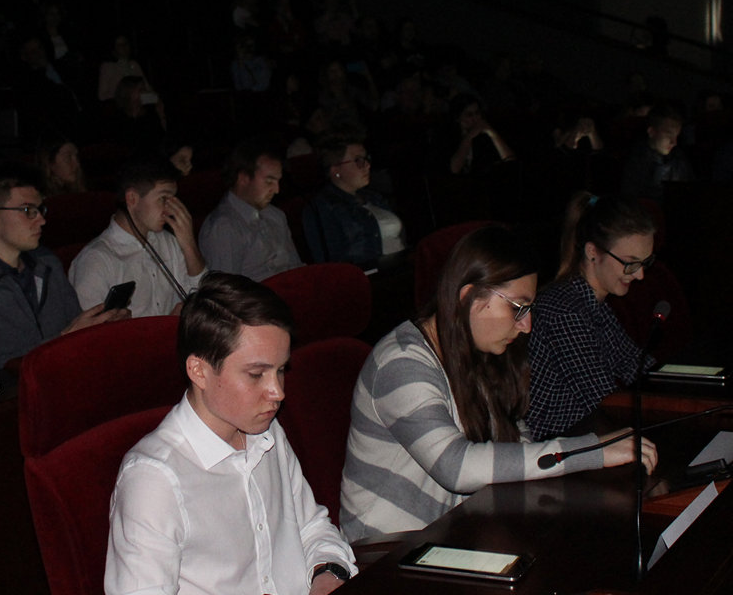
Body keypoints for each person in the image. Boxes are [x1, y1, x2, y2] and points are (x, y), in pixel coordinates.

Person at [339, 226, 657, 540]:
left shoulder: (475, 349)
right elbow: (456, 467)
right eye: (518, 308)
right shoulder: (401, 362)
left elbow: (515, 441)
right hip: (387, 551)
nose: (527, 325)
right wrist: (592, 451)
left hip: (455, 531)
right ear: (469, 297)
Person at [105, 272, 357, 594]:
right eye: (256, 374)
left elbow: (311, 527)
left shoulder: (268, 433)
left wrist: (328, 573)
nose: (277, 392)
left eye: (280, 370)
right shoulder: (154, 480)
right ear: (199, 371)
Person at [0, 163, 128, 380]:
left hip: (67, 380)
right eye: (28, 211)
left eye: (40, 210)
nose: (42, 220)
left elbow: (76, 331)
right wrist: (62, 339)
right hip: (14, 396)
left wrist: (101, 329)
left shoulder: (47, 263)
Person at [526, 193, 657, 441]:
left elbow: (637, 367)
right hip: (549, 447)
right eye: (630, 263)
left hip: (581, 439)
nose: (639, 275)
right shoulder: (563, 310)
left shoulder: (594, 305)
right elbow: (605, 399)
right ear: (592, 252)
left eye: (645, 263)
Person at [69, 159, 206, 318]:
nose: (170, 209)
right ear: (132, 198)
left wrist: (189, 243)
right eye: (163, 198)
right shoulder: (95, 260)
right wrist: (167, 324)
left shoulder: (168, 240)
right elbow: (92, 331)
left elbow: (204, 294)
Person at [198, 138, 303, 281]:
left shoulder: (276, 215)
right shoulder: (223, 227)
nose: (276, 190)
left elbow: (296, 267)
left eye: (278, 181)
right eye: (269, 181)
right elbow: (226, 289)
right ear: (243, 178)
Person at [302, 132, 405, 266]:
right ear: (336, 170)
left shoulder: (374, 197)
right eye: (358, 161)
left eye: (366, 159)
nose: (367, 165)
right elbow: (332, 260)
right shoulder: (322, 208)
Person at [620, 104, 694, 202]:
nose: (674, 142)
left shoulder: (679, 160)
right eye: (668, 135)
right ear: (652, 132)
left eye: (676, 136)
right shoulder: (635, 161)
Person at [444, 93, 516, 175]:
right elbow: (454, 169)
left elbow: (510, 162)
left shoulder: (484, 137)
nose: (475, 118)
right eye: (469, 115)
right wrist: (470, 136)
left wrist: (493, 134)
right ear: (457, 117)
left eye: (477, 113)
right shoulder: (448, 137)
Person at [36, 132, 87, 197]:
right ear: (50, 162)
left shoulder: (80, 194)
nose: (77, 164)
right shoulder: (38, 198)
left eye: (77, 157)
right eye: (68, 157)